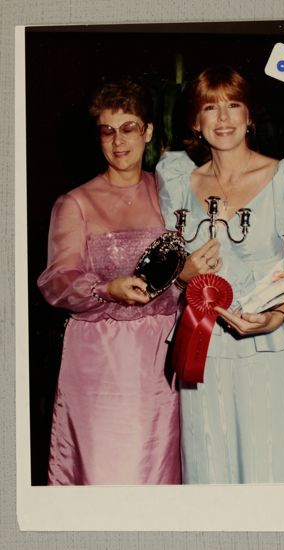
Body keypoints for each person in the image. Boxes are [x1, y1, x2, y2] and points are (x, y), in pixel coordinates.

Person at [156, 65, 284, 484]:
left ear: (250, 116)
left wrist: (275, 317)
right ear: (195, 120)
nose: (223, 118)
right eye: (211, 107)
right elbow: (169, 264)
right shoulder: (174, 179)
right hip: (201, 346)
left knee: (269, 465)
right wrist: (182, 272)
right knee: (207, 463)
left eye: (234, 105)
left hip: (268, 347)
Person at [38, 79, 186, 485]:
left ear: (149, 132)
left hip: (161, 359)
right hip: (100, 360)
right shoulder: (75, 203)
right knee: (106, 475)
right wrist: (106, 289)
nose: (118, 142)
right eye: (107, 130)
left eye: (129, 128)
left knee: (157, 477)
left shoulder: (170, 193)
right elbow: (56, 281)